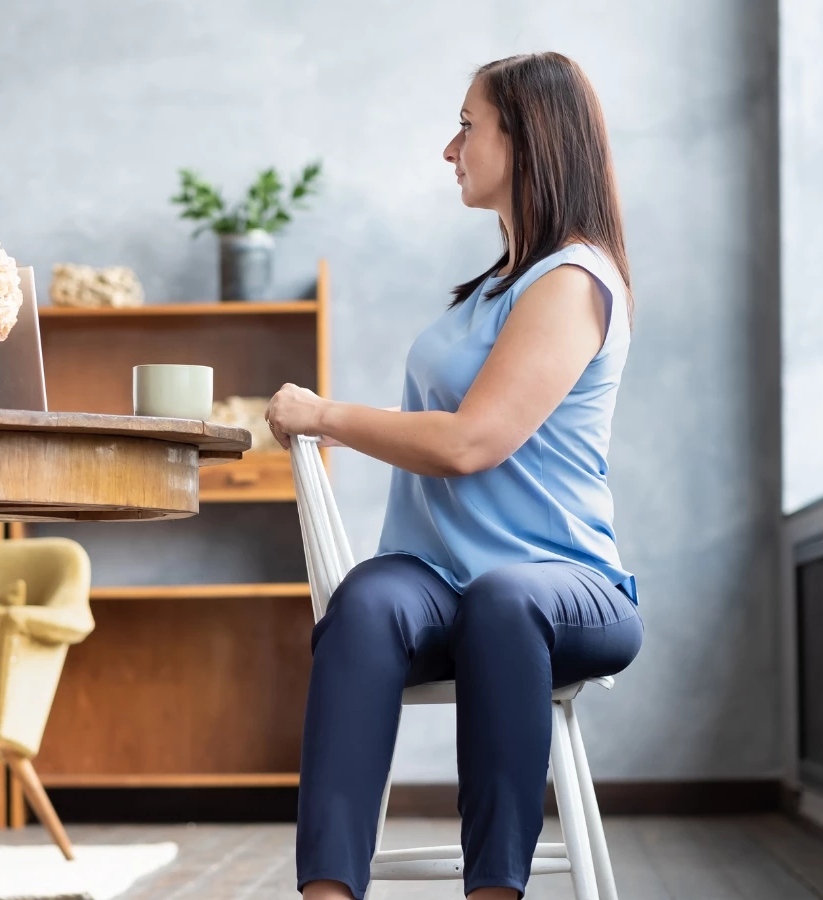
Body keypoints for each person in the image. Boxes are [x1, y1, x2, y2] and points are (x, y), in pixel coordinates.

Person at [263, 51, 644, 900]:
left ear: (528, 136)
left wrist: (326, 416)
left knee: (506, 600)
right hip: (439, 582)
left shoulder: (573, 280)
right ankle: (326, 892)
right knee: (363, 603)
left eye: (467, 125)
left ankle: (494, 889)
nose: (450, 148)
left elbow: (473, 443)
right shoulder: (487, 290)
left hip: (565, 588)